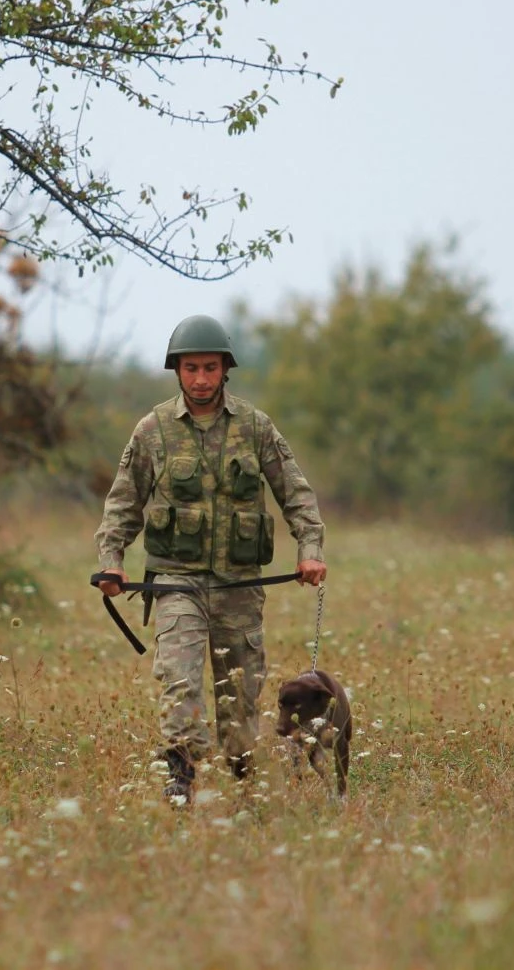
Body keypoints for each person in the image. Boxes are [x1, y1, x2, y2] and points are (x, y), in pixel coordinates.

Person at [93, 315, 327, 805]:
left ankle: (244, 782)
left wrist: (310, 552)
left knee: (240, 700)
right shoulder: (153, 430)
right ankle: (179, 780)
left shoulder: (255, 427)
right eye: (191, 368)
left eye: (210, 368)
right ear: (177, 371)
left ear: (225, 370)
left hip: (238, 586)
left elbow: (296, 494)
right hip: (176, 583)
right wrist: (111, 561)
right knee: (179, 681)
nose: (201, 379)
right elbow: (123, 504)